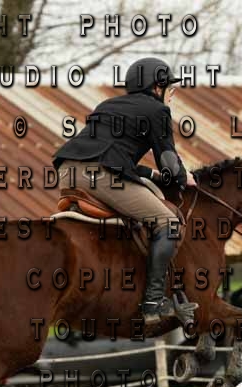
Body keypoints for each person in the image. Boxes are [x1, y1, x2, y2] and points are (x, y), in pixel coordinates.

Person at [52, 57, 197, 325]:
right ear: (157, 87)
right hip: (100, 175)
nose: (171, 96)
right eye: (170, 89)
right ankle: (153, 302)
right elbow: (168, 160)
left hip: (67, 171)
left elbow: (115, 156)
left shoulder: (108, 105)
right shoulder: (158, 110)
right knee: (168, 222)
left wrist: (153, 175)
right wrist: (182, 178)